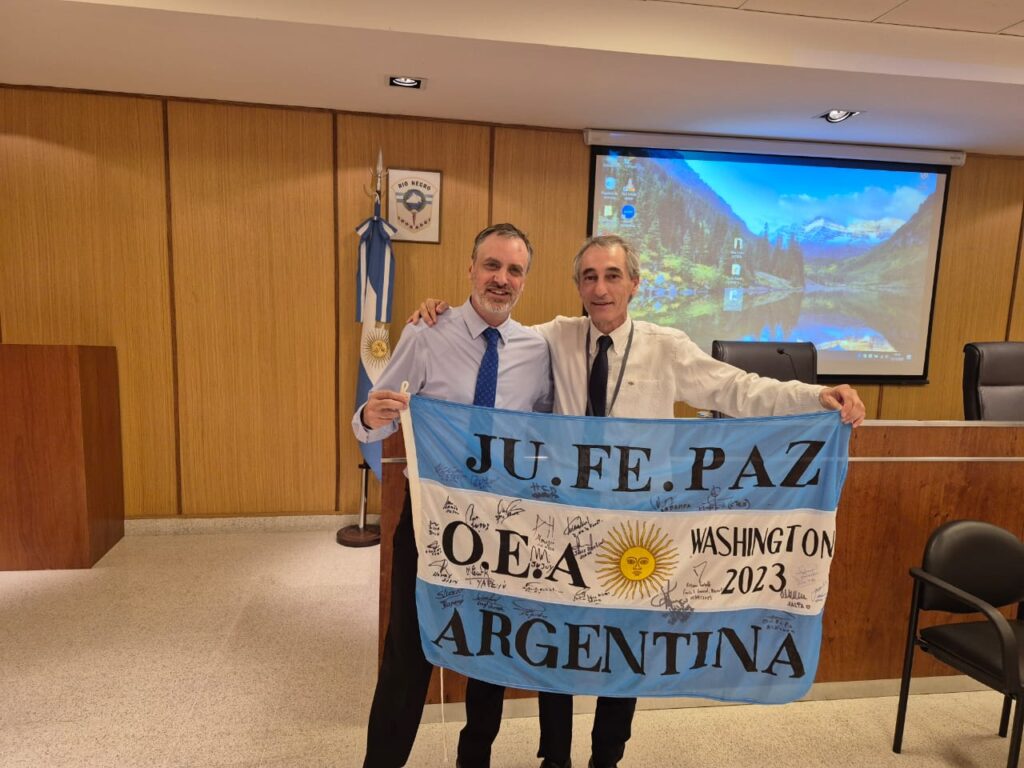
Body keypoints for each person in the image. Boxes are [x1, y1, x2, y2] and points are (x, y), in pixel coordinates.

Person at [409, 233, 866, 768]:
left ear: (634, 284)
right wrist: (438, 313)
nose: (600, 289)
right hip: (566, 524)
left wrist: (814, 397)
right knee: (559, 641)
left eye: (612, 276)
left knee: (625, 650)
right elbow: (492, 327)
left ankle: (607, 758)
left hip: (637, 529)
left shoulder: (666, 346)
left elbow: (737, 389)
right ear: (578, 286)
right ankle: (555, 757)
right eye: (589, 277)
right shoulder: (554, 337)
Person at [353, 223, 553, 768]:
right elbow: (374, 420)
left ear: (524, 280)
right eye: (492, 265)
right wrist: (368, 415)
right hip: (429, 524)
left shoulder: (536, 350)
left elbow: (547, 431)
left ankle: (475, 759)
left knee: (489, 652)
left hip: (501, 527)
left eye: (514, 270)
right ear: (470, 269)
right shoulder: (426, 333)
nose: (501, 279)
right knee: (408, 653)